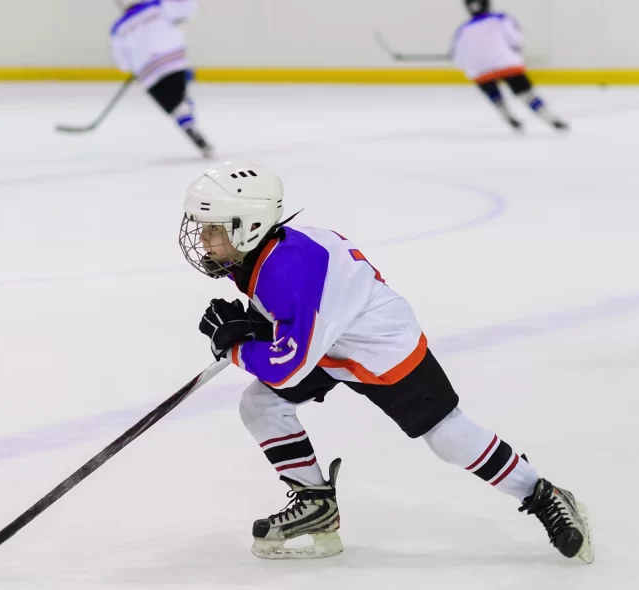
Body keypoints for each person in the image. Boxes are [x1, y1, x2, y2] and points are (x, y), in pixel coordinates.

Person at [179, 161, 593, 562]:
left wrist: (235, 346)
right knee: (260, 405)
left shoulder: (290, 271)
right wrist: (256, 326)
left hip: (380, 349)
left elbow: (287, 367)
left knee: (448, 437)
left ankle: (541, 494)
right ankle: (315, 503)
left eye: (214, 229)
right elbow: (297, 324)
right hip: (329, 341)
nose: (203, 239)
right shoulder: (259, 253)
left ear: (249, 226)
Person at [109, 0, 213, 156]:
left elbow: (122, 63)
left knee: (176, 108)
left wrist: (134, 65)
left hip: (149, 75)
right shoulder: (157, 5)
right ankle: (190, 122)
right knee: (182, 100)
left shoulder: (117, 29)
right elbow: (187, 9)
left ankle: (188, 126)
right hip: (175, 63)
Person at [452, 0, 569, 132]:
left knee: (493, 94)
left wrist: (472, 67)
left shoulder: (463, 29)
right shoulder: (501, 18)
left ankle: (506, 115)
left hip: (480, 71)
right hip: (506, 64)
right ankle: (550, 118)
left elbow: (458, 57)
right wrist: (514, 53)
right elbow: (515, 39)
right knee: (526, 95)